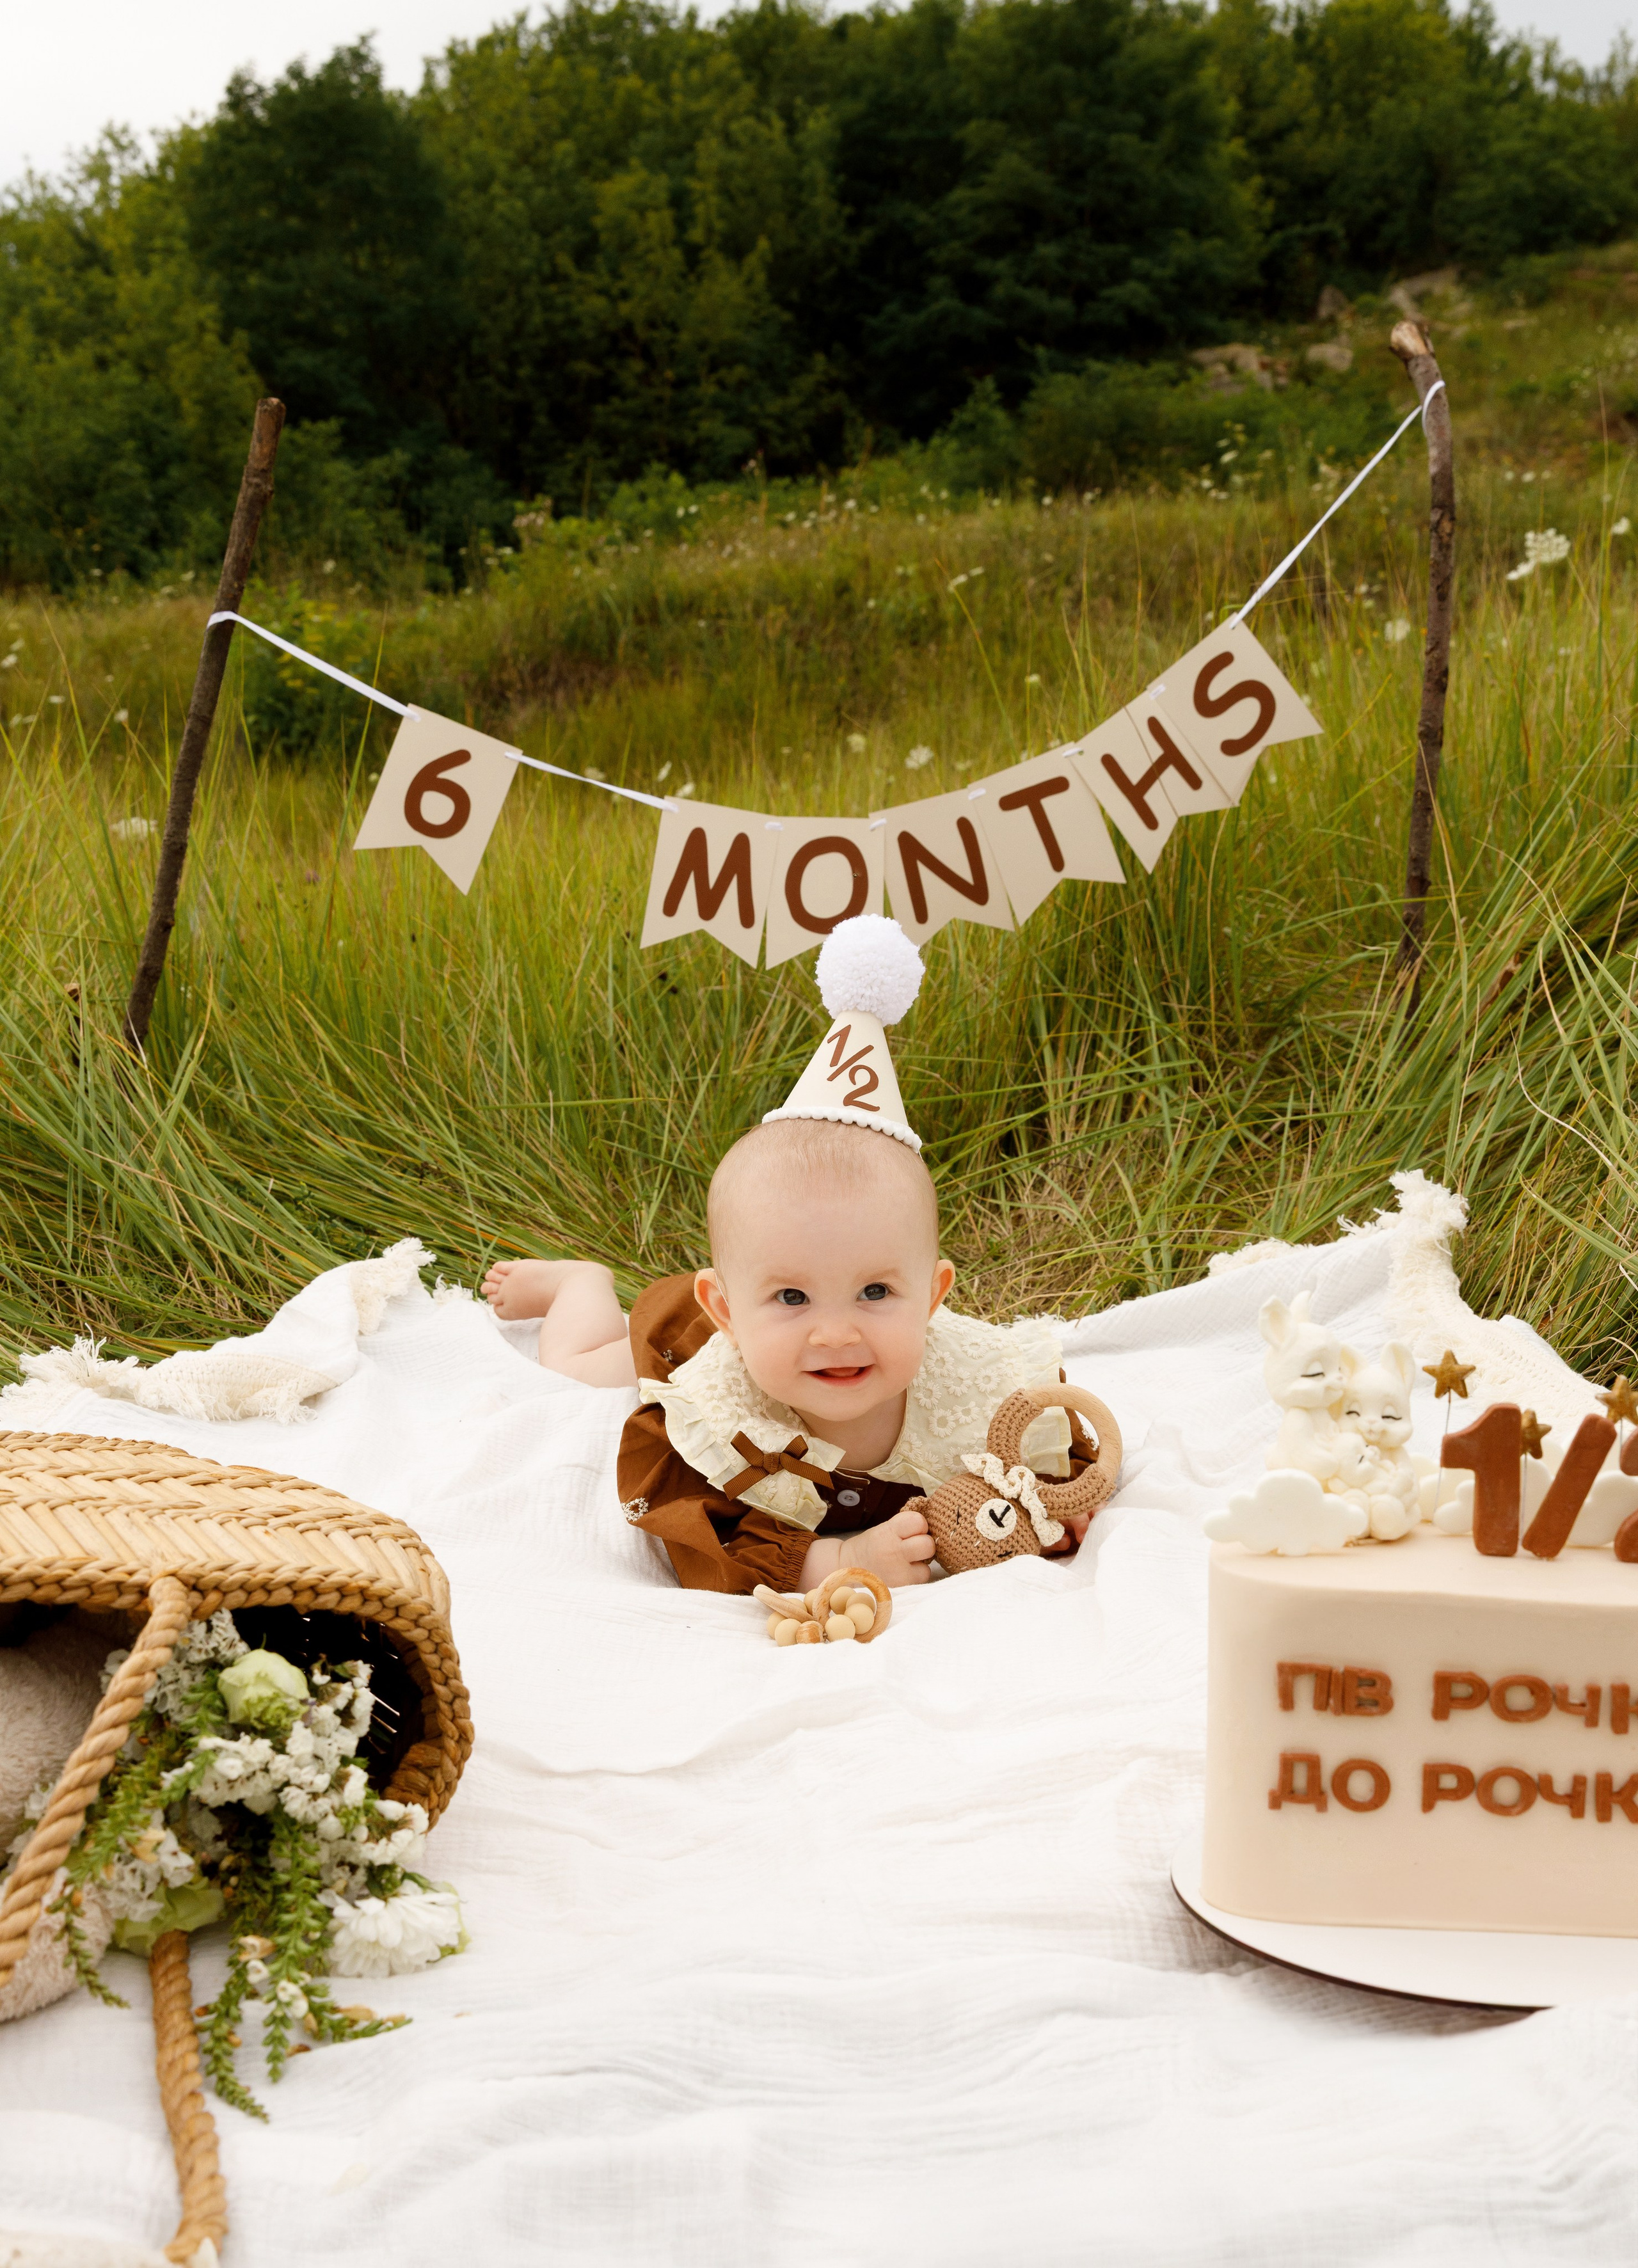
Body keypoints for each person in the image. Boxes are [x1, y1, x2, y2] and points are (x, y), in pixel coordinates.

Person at [482, 917, 1111, 1594]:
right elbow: (702, 1533)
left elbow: (1049, 1430)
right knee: (576, 1369)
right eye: (793, 1296)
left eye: (875, 1291)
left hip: (782, 1320)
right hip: (694, 1341)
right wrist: (834, 1562)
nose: (836, 1333)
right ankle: (580, 1283)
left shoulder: (975, 1381)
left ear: (932, 1296)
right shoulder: (716, 1412)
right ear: (724, 1305)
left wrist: (1058, 1498)